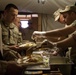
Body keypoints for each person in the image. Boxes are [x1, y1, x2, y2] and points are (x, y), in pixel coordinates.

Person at [32, 5, 76, 75]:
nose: (64, 20)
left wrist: (42, 34)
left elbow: (64, 36)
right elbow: (66, 39)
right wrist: (57, 49)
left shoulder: (72, 26)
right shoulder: (70, 24)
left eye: (65, 16)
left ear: (73, 14)